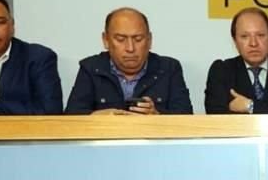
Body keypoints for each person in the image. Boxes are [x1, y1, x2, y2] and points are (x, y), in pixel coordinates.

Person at [64, 7, 192, 114]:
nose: (130, 48)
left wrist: (157, 117)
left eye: (138, 39)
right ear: (106, 40)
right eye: (120, 39)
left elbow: (187, 121)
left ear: (149, 40)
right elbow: (70, 119)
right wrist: (95, 118)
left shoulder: (168, 68)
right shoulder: (91, 68)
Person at [204, 7, 268, 114]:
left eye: (260, 35)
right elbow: (215, 115)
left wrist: (250, 106)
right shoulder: (221, 71)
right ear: (235, 40)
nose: (253, 43)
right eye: (244, 36)